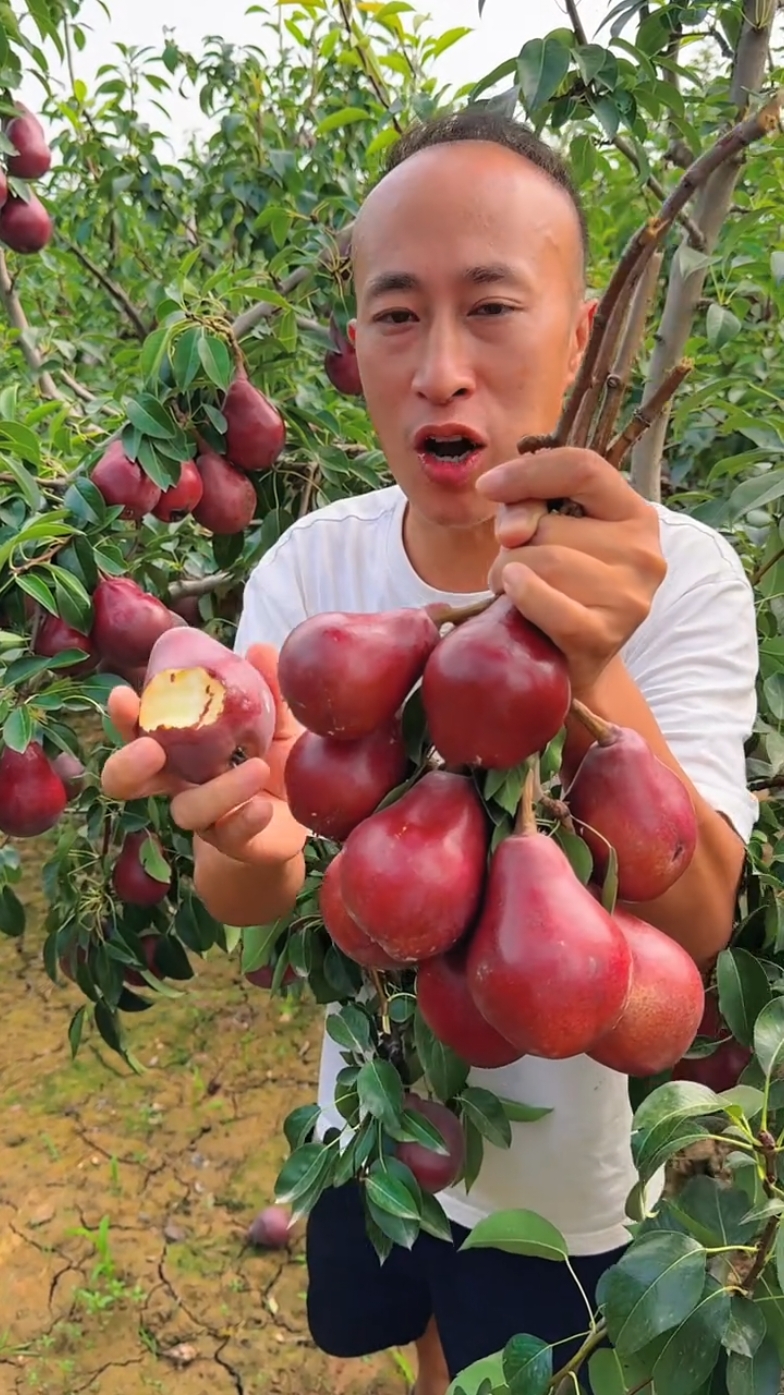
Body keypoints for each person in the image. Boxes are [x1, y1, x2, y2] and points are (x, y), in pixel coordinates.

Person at [102, 110, 759, 1394]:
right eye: (396, 317)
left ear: (577, 338)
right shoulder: (314, 570)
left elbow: (696, 922)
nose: (441, 368)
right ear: (354, 352)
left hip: (570, 1188)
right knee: (419, 1346)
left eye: (493, 308)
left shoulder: (687, 578)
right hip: (376, 1132)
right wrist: (241, 830)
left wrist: (584, 652)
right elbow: (262, 892)